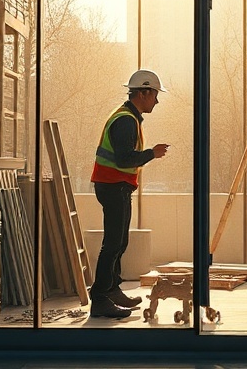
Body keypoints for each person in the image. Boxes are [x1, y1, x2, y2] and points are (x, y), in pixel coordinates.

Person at [88, 69, 170, 318]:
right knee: (112, 244)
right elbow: (124, 159)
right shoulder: (125, 120)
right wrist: (151, 154)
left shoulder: (127, 117)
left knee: (119, 242)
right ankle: (101, 299)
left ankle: (112, 289)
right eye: (155, 94)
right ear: (143, 92)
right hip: (114, 186)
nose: (156, 100)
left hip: (114, 185)